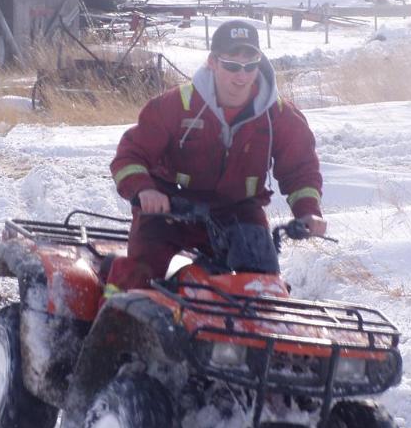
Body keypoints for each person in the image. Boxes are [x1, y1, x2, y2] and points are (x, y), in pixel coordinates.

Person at [106, 20, 326, 292]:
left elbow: (301, 169)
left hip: (238, 210)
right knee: (140, 276)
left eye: (250, 66)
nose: (241, 76)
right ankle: (113, 312)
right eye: (232, 65)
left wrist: (308, 212)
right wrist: (144, 190)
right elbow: (130, 156)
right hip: (170, 208)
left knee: (263, 286)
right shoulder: (176, 105)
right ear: (212, 62)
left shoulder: (279, 115)